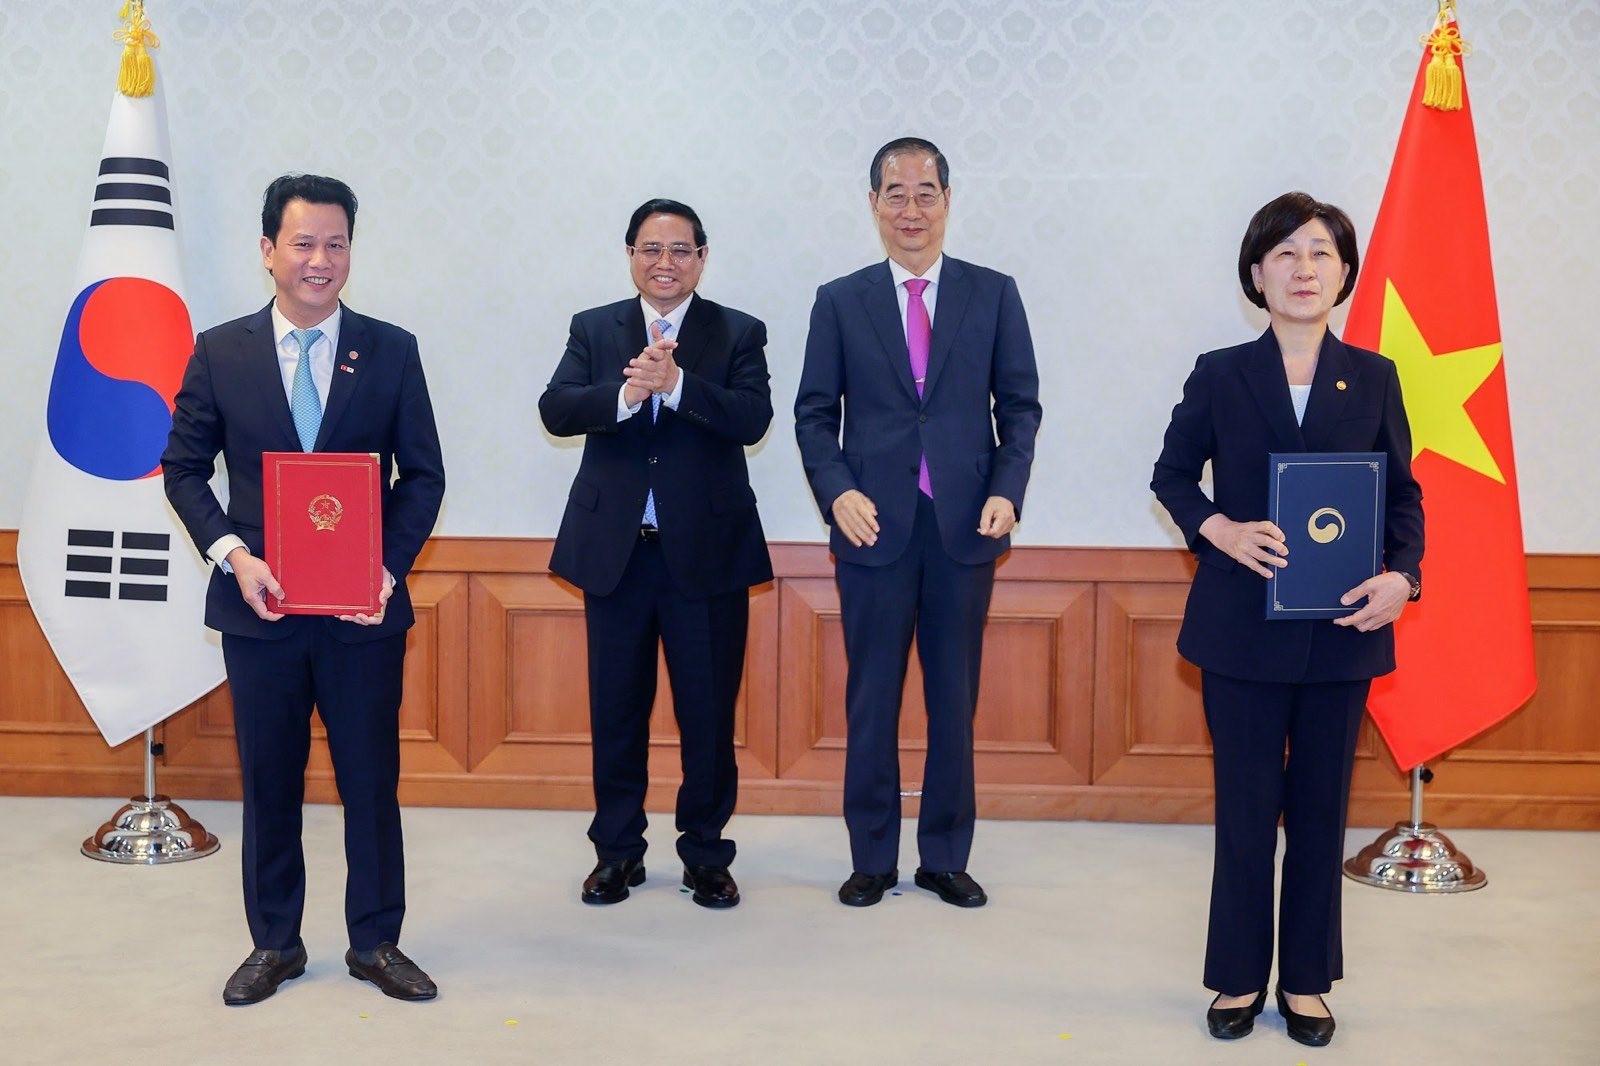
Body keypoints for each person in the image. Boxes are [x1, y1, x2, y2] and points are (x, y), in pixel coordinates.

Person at [163, 174, 445, 1005]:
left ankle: (377, 941)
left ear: (351, 251)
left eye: (336, 244)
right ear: (267, 252)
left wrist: (384, 568)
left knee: (370, 782)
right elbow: (183, 470)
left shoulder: (391, 349)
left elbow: (422, 476)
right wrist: (233, 555)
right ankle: (275, 943)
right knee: (272, 781)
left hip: (363, 612)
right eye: (303, 243)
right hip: (262, 613)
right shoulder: (221, 350)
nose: (320, 260)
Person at [1150, 191, 1424, 1047]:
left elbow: (1404, 498)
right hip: (1241, 632)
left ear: (1344, 273)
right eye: (1285, 254)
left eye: (1322, 254)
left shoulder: (1374, 375)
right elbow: (1170, 478)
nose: (1303, 270)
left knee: (1317, 815)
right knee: (1244, 811)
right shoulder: (1220, 371)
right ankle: (1237, 976)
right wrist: (1218, 529)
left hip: (1343, 633)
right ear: (1256, 273)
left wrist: (1403, 580)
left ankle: (1306, 983)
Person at [794, 137, 1042, 909]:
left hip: (965, 526)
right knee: (871, 696)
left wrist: (1009, 489)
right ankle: (872, 856)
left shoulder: (993, 293)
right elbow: (811, 414)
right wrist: (837, 492)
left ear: (947, 200)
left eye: (925, 193)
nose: (911, 209)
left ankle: (944, 855)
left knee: (953, 699)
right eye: (895, 194)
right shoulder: (840, 299)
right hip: (872, 529)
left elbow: (1021, 408)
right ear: (873, 204)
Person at [539, 198, 772, 910]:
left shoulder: (736, 331)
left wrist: (677, 387)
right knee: (616, 712)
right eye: (649, 249)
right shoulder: (593, 326)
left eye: (679, 250)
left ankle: (705, 854)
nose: (663, 262)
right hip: (617, 556)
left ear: (701, 258)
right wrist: (623, 393)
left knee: (707, 717)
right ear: (631, 255)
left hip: (706, 557)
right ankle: (617, 854)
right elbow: (556, 408)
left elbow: (751, 417)